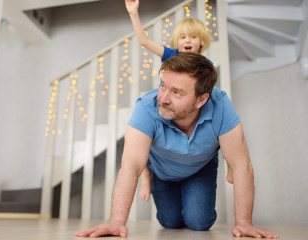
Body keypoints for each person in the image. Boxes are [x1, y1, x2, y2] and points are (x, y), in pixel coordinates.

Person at [74, 52, 279, 238]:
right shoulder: (146, 107)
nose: (162, 98)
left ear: (201, 100)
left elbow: (242, 165)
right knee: (169, 222)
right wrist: (116, 222)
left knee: (199, 223)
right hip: (162, 171)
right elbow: (130, 167)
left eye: (176, 92)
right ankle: (158, 183)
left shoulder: (221, 107)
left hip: (200, 168)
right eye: (163, 85)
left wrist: (244, 222)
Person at [125, 0, 214, 201]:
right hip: (168, 109)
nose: (187, 40)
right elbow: (144, 41)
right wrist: (134, 14)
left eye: (193, 36)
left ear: (201, 41)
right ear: (177, 41)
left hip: (188, 114)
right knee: (151, 136)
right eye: (182, 37)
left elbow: (209, 94)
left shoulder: (205, 64)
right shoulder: (172, 55)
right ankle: (147, 172)